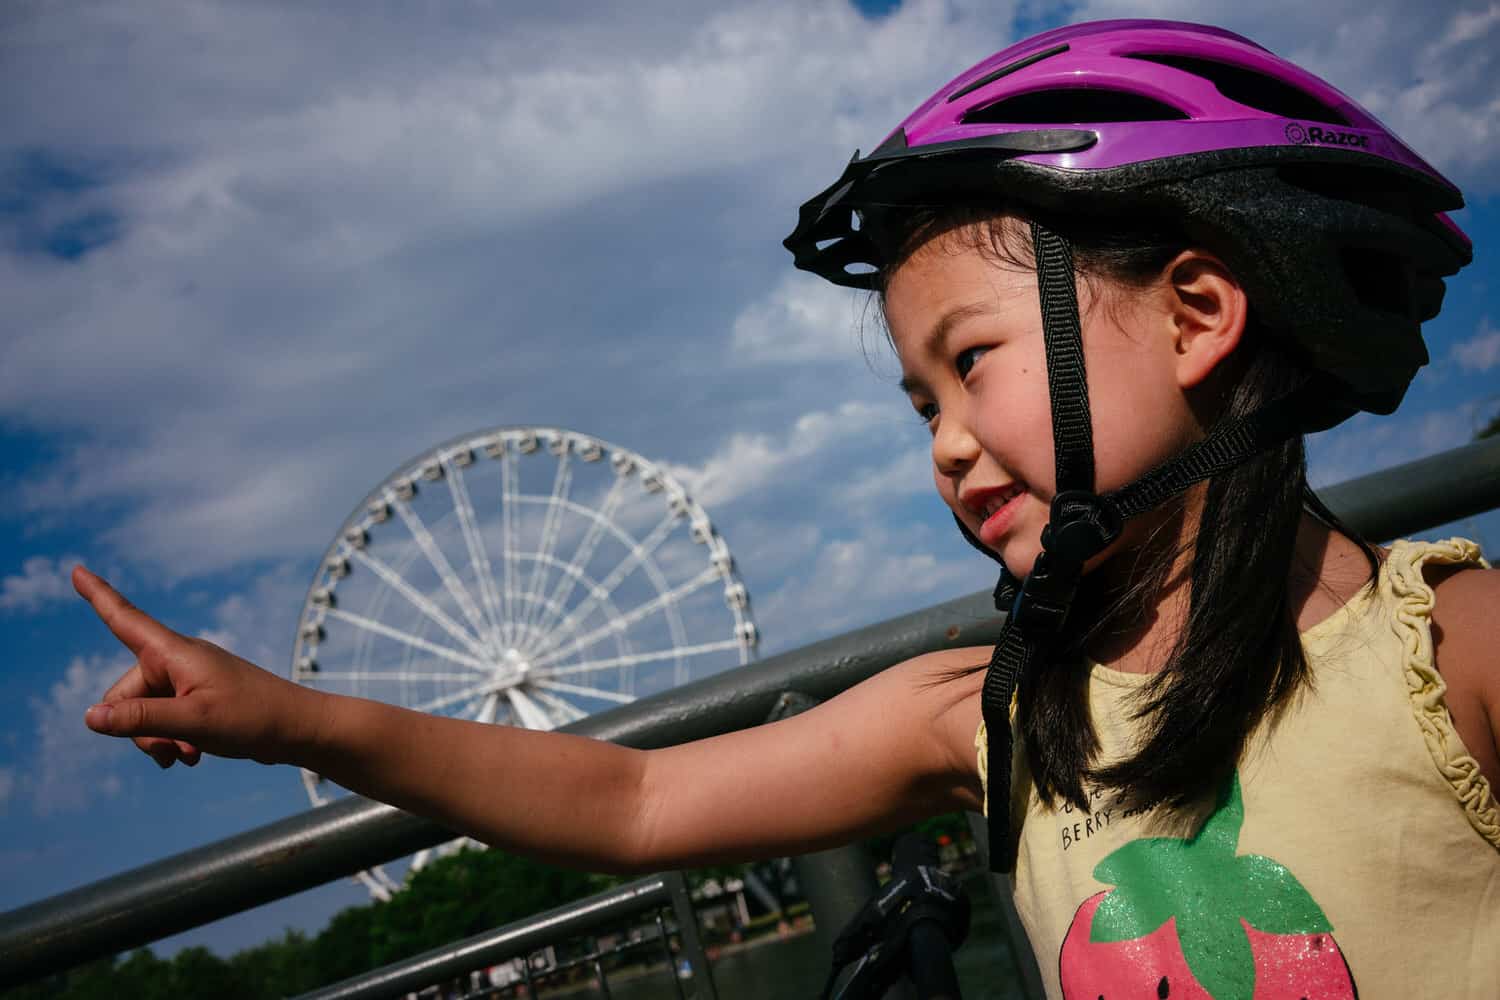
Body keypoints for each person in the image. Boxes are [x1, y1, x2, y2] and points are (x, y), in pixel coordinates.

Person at [76, 19, 1497, 998]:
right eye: (918, 404)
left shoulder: (1457, 655)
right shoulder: (994, 714)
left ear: (1197, 314)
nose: (944, 445)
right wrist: (291, 719)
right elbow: (632, 799)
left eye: (972, 364)